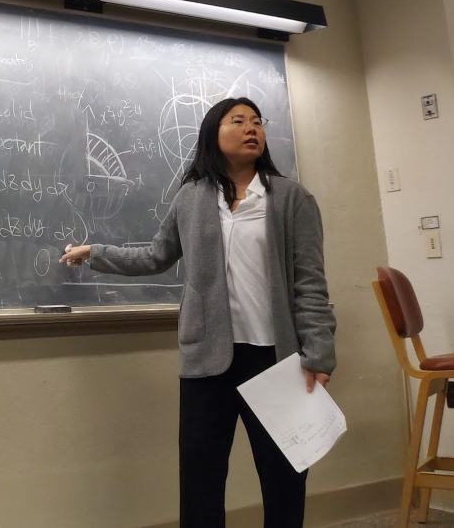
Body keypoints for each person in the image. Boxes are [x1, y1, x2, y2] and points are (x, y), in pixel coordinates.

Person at [60, 97, 336, 528]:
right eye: (239, 121)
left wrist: (318, 353)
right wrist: (96, 253)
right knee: (201, 478)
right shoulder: (191, 198)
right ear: (213, 133)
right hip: (207, 358)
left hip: (275, 358)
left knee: (284, 476)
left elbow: (311, 283)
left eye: (258, 123)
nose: (252, 129)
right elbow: (156, 256)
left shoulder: (291, 198)